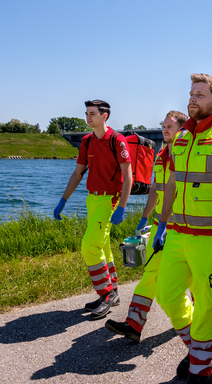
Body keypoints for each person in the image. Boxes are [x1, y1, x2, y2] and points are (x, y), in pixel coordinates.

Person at [153, 74, 212, 384]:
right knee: (167, 295)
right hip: (178, 234)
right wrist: (162, 224)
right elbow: (170, 185)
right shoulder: (180, 137)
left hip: (211, 238)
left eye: (200, 94)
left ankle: (201, 370)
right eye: (191, 93)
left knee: (207, 305)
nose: (192, 98)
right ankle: (197, 348)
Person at [104, 110, 188, 342]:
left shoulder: (186, 157)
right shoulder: (161, 155)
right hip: (161, 227)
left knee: (187, 281)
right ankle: (134, 323)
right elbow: (155, 189)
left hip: (181, 227)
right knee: (151, 273)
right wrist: (144, 218)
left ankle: (194, 320)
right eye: (164, 125)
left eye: (170, 126)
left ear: (182, 129)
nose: (165, 129)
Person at [53, 100, 133, 320]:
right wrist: (63, 200)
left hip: (110, 200)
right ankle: (113, 292)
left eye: (93, 114)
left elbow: (128, 176)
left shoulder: (117, 140)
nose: (88, 118)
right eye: (87, 113)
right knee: (102, 246)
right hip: (92, 199)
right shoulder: (87, 142)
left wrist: (122, 207)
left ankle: (106, 293)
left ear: (104, 116)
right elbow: (78, 173)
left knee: (90, 245)